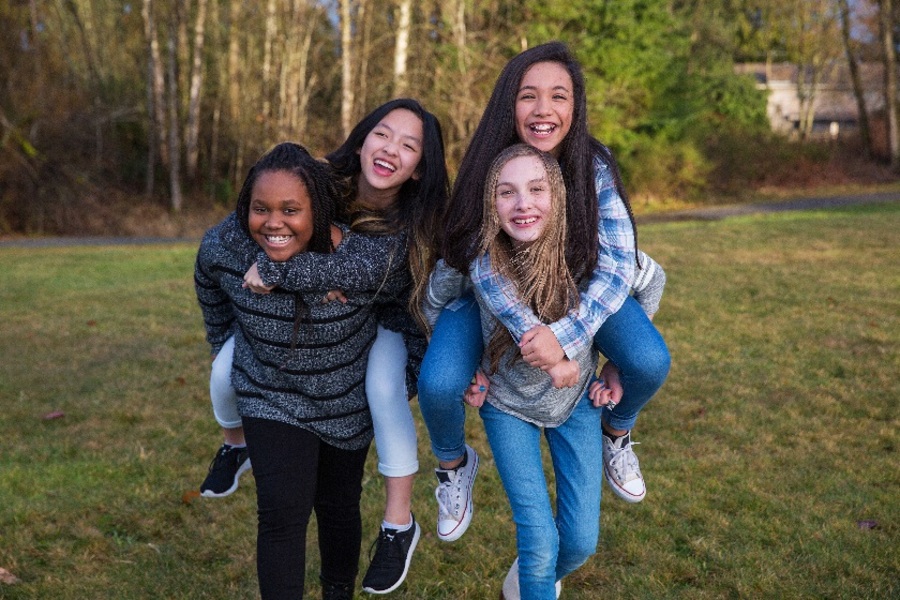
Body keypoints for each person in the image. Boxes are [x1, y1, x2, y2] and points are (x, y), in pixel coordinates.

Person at [416, 40, 671, 543]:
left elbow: (620, 263)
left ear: (575, 108)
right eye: (528, 95)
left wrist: (567, 336)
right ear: (509, 104)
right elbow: (468, 259)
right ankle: (452, 466)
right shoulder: (486, 165)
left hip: (579, 289)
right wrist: (482, 359)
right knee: (441, 382)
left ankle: (616, 432)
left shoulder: (592, 166)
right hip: (487, 293)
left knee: (647, 360)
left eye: (559, 96)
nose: (543, 110)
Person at [223, 99, 449, 594]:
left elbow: (373, 274)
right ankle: (233, 443)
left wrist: (285, 271)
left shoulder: (415, 223)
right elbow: (259, 217)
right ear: (363, 136)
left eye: (409, 146)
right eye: (383, 134)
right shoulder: (320, 178)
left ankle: (398, 523)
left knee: (380, 395)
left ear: (418, 170)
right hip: (288, 351)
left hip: (386, 330)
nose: (390, 149)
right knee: (224, 366)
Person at [426, 144, 664, 599]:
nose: (523, 204)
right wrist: (470, 365)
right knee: (538, 541)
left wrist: (614, 361)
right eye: (506, 193)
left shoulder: (588, 255)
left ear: (558, 197)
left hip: (576, 404)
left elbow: (651, 279)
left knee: (579, 542)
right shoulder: (485, 261)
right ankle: (534, 577)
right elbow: (493, 316)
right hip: (508, 405)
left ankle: (524, 583)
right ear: (489, 205)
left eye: (537, 190)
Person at [195, 142, 378, 600]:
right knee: (280, 513)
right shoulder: (226, 245)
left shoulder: (353, 256)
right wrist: (224, 345)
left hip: (344, 400)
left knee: (338, 507)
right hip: (269, 393)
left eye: (291, 210)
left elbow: (394, 289)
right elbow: (208, 283)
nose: (274, 222)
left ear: (318, 210)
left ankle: (337, 591)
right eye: (261, 209)